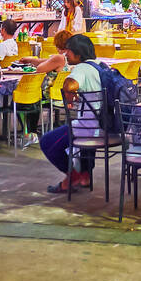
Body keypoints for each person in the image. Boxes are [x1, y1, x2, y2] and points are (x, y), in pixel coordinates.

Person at [39, 34, 103, 193]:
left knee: (48, 142)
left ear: (78, 54)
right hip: (108, 125)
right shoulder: (102, 65)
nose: (66, 54)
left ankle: (72, 176)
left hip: (90, 127)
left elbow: (70, 84)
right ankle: (85, 177)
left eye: (69, 51)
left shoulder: (82, 68)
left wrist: (69, 95)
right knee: (84, 136)